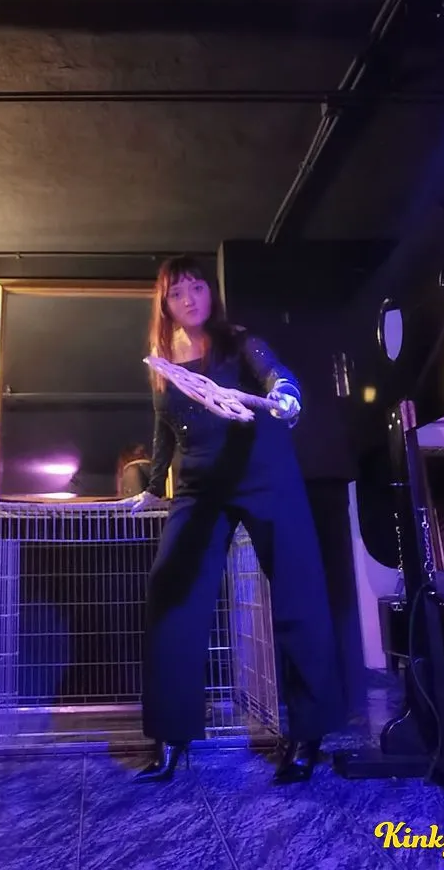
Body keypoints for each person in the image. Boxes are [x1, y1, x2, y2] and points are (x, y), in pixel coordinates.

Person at [127, 255, 344, 785]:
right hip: (200, 486)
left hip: (264, 473)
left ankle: (308, 735)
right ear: (165, 304)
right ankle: (170, 736)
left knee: (299, 591)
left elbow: (275, 372)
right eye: (178, 292)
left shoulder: (240, 341)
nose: (190, 298)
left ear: (211, 293)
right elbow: (164, 430)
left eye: (198, 287)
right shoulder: (163, 364)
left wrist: (286, 394)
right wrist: (153, 486)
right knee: (171, 591)